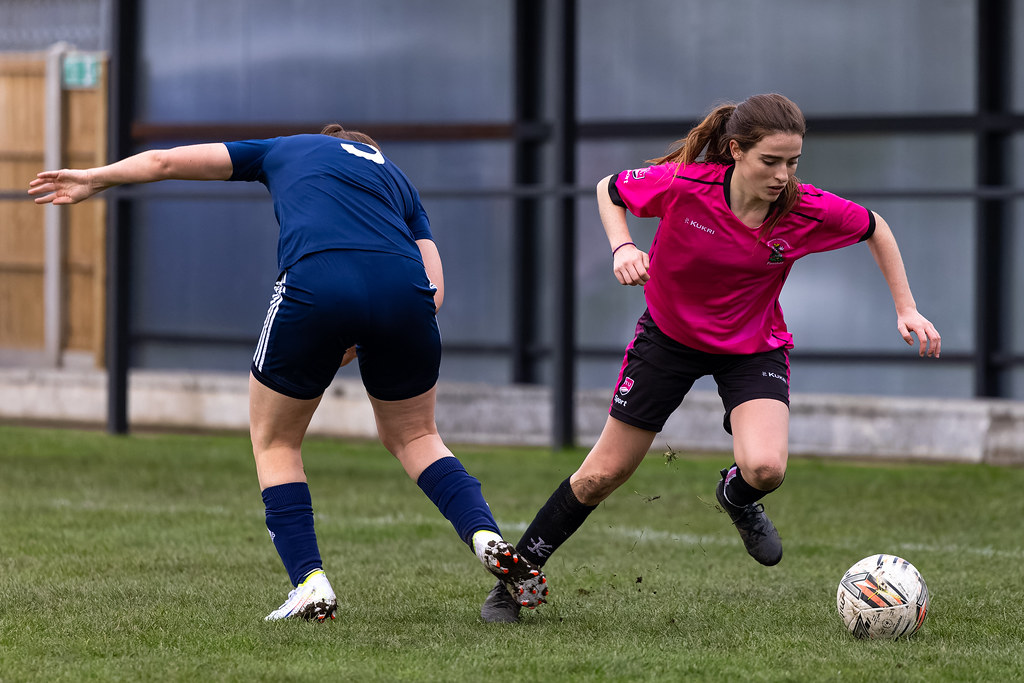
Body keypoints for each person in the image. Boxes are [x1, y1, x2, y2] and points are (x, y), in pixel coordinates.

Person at [29, 124, 548, 622]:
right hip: (405, 294)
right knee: (417, 437)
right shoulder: (396, 178)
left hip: (316, 281)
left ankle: (310, 583)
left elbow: (165, 161)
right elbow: (434, 293)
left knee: (275, 440)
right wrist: (366, 331)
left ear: (327, 144)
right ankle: (485, 536)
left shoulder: (285, 148)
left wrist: (95, 177)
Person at [480, 93, 941, 623]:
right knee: (601, 475)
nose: (782, 176)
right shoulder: (685, 185)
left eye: (792, 163)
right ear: (736, 150)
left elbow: (875, 226)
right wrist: (623, 247)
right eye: (770, 161)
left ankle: (736, 495)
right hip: (667, 339)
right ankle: (512, 585)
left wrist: (906, 307)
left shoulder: (805, 208)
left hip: (752, 347)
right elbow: (610, 189)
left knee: (765, 468)